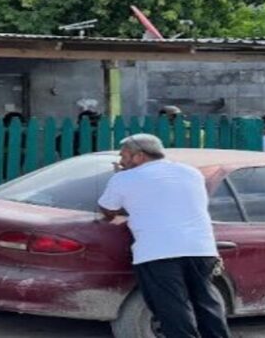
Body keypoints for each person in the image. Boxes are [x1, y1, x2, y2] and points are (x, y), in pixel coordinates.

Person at [97, 134, 230, 338]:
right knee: (206, 302)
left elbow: (108, 210)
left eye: (124, 156)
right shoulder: (191, 172)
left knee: (172, 309)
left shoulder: (124, 178)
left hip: (158, 252)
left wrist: (120, 178)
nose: (121, 161)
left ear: (139, 156)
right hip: (200, 248)